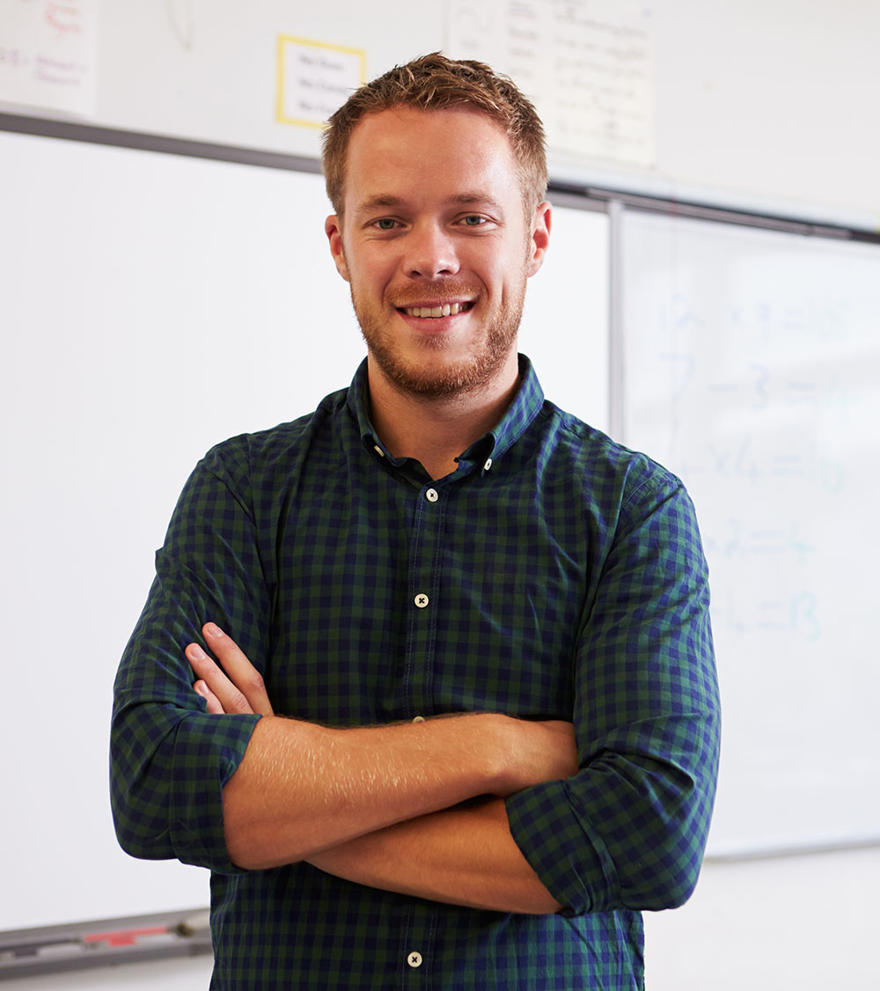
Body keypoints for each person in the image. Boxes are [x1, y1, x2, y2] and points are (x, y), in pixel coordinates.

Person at [111, 53, 720, 990]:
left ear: (537, 238)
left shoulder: (633, 511)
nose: (430, 256)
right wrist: (502, 746)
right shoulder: (242, 490)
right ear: (339, 244)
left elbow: (647, 838)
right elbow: (156, 785)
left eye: (471, 217)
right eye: (388, 219)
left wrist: (298, 802)